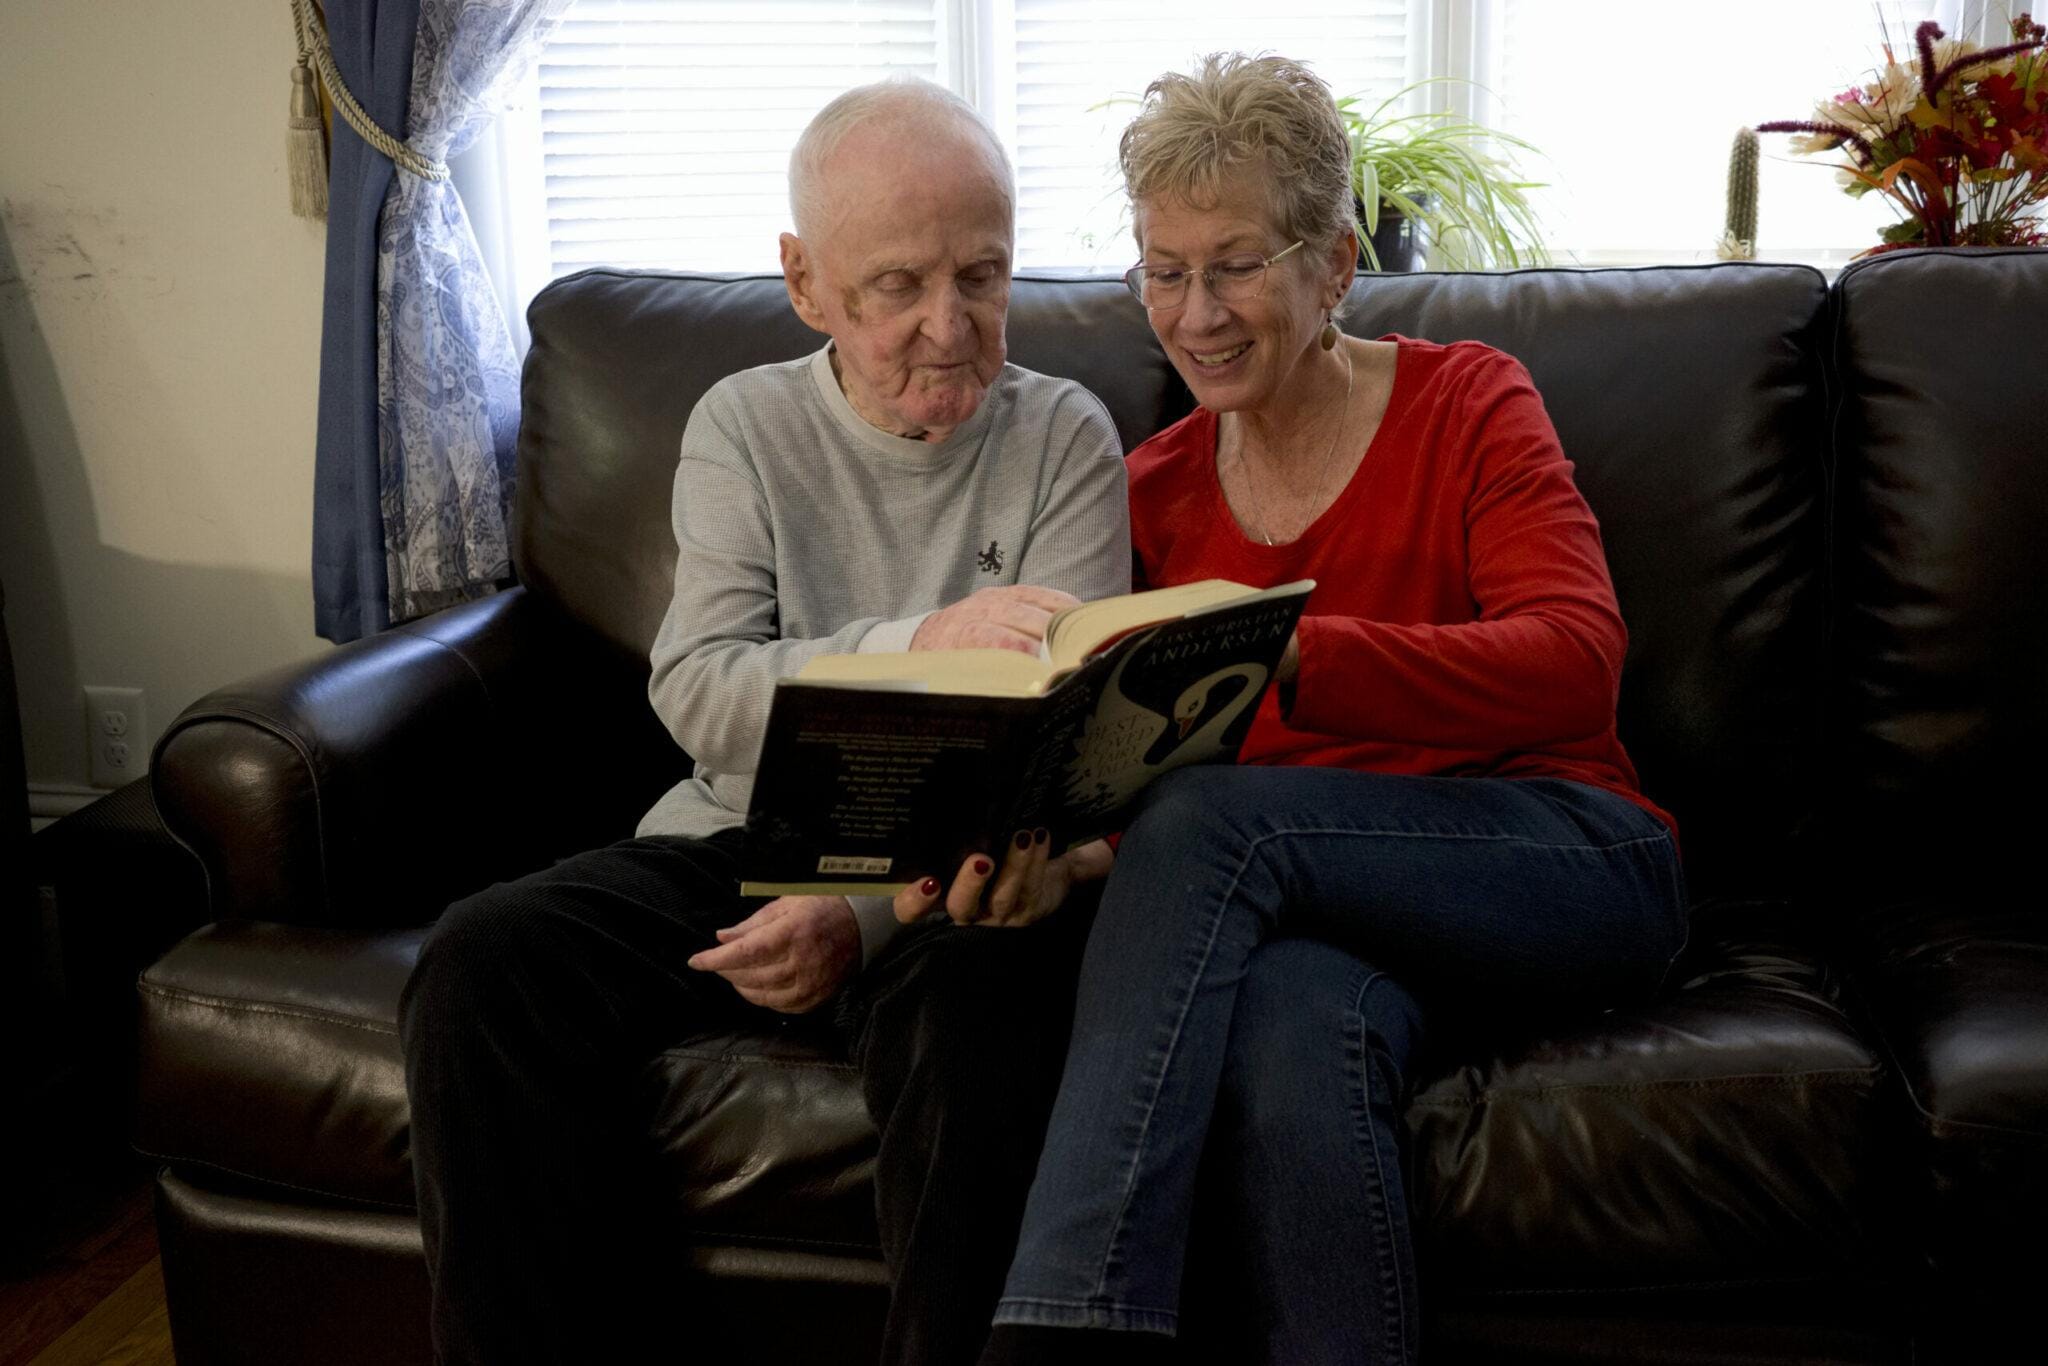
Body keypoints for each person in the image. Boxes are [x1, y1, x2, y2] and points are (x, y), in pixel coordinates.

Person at [912, 53, 1690, 1366]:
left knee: (1224, 826)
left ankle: (1063, 1331)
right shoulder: (1150, 491)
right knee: (1289, 1024)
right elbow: (1146, 779)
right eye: (1165, 269)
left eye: (1237, 265)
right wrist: (1058, 869)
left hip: (1568, 856)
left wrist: (1282, 651)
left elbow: (1575, 660)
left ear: (1334, 263)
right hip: (1321, 914)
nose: (1197, 312)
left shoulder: (1469, 400)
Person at [398, 77, 1128, 1366]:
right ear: (805, 283)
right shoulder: (743, 423)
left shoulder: (1065, 433)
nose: (949, 328)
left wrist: (856, 916)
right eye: (897, 286)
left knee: (982, 1026)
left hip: (953, 878)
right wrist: (923, 642)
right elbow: (699, 688)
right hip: (735, 842)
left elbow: (1058, 758)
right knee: (479, 962)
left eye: (983, 275)